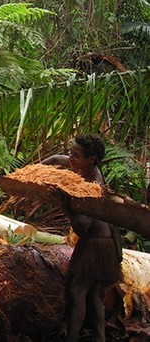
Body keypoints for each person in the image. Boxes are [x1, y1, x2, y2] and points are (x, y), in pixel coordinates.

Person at [42, 134, 123, 342]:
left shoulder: (93, 185)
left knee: (78, 292)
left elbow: (83, 226)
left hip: (97, 244)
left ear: (92, 159)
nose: (71, 159)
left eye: (76, 155)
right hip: (100, 241)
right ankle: (99, 338)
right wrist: (32, 172)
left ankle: (72, 338)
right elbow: (54, 160)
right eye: (71, 152)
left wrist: (64, 205)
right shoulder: (84, 167)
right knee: (95, 295)